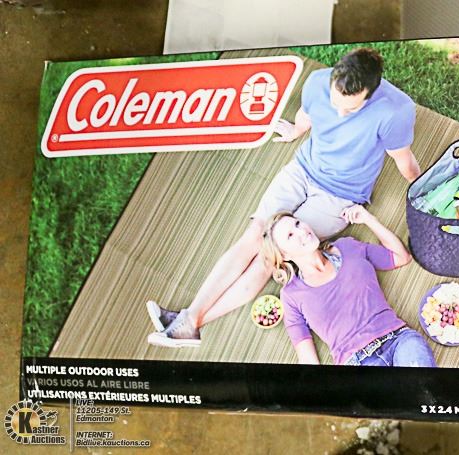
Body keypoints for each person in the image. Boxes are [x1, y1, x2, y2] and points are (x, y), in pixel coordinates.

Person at [146, 48, 420, 347]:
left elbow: (403, 161)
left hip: (339, 194)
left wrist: (421, 185)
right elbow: (306, 115)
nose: (340, 114)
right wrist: (296, 130)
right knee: (254, 234)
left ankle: (189, 323)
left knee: (269, 256)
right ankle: (189, 318)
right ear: (334, 79)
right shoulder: (318, 81)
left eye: (351, 110)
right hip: (302, 169)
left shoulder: (395, 111)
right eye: (335, 103)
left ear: (372, 92)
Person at [260, 206, 436, 367]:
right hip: (356, 362)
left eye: (298, 223)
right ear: (284, 255)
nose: (301, 231)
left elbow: (401, 257)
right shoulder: (291, 295)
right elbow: (307, 358)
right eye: (290, 235)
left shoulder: (347, 246)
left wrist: (369, 219)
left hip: (399, 340)